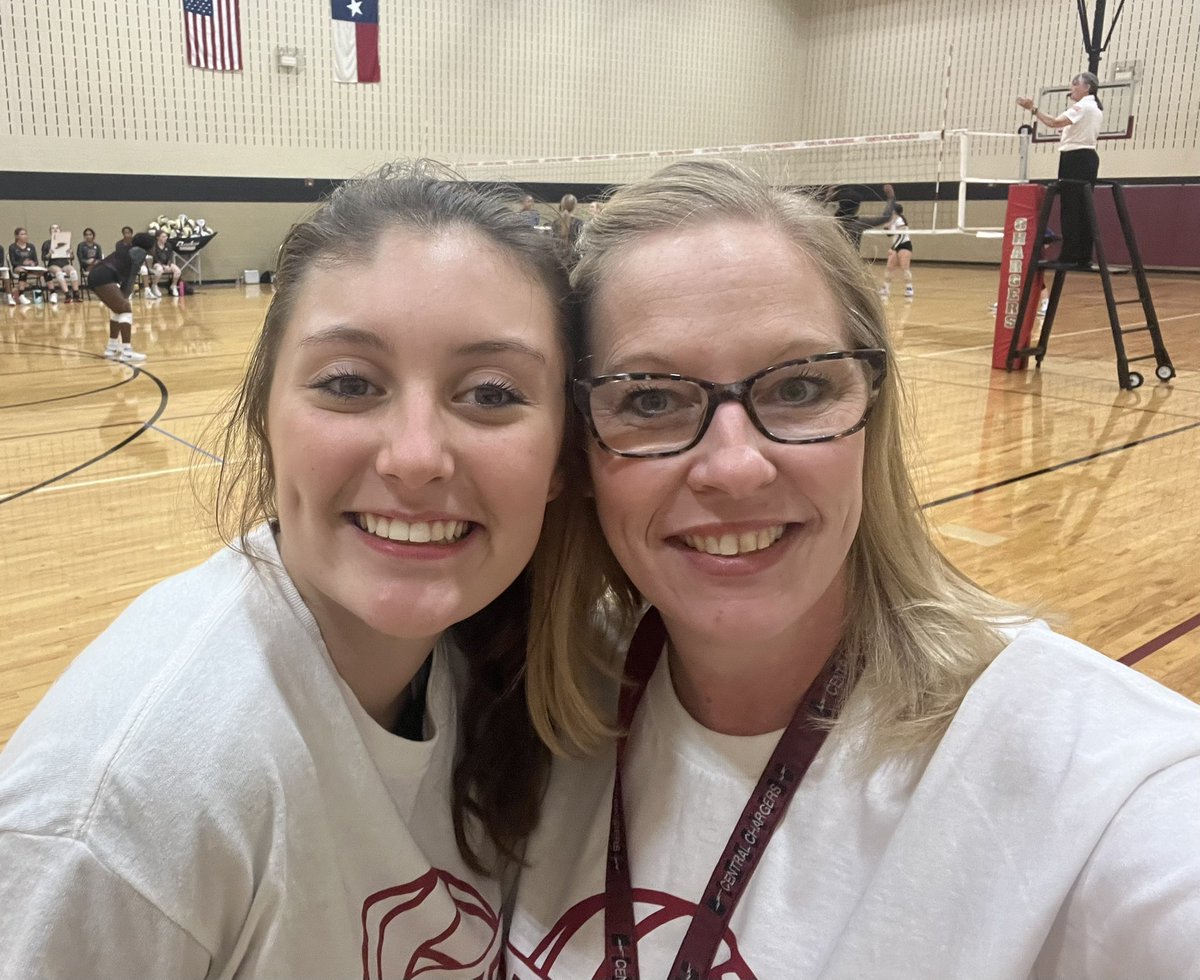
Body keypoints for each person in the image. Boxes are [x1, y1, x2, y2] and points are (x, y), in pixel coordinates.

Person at [505, 159, 1200, 979]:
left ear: (873, 414)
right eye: (652, 400)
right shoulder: (531, 710)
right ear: (578, 447)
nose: (735, 468)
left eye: (799, 386)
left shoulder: (1096, 776)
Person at [0, 163, 587, 977]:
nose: (415, 457)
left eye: (490, 394)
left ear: (563, 456)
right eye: (349, 383)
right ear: (266, 420)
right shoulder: (117, 821)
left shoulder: (499, 664)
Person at [1017, 72, 1103, 268]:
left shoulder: (1082, 106)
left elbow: (1053, 122)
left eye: (1075, 84)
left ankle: (1069, 255)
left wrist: (1033, 109)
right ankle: (1083, 255)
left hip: (1075, 159)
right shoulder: (1095, 108)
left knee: (1071, 207)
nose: (1071, 88)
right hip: (1087, 158)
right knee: (1083, 207)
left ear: (1087, 87)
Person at [87, 231, 155, 361]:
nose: (155, 248)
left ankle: (111, 348)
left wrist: (123, 297)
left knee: (118, 310)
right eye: (154, 246)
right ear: (149, 246)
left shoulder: (131, 249)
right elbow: (131, 277)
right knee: (125, 309)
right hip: (104, 276)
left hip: (97, 274)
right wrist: (124, 296)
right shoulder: (139, 253)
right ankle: (127, 351)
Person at [829, 182, 896, 250]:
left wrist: (828, 197)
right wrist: (891, 197)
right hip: (850, 258)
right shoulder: (859, 223)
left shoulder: (831, 221)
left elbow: (819, 212)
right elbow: (885, 217)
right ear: (856, 207)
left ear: (841, 204)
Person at [41, 224, 82, 304]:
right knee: (59, 273)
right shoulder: (46, 243)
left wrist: (71, 253)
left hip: (64, 263)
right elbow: (44, 258)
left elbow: (71, 257)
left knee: (73, 272)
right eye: (53, 228)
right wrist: (49, 254)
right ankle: (67, 294)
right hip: (53, 263)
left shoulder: (65, 242)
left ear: (60, 230)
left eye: (57, 228)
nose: (55, 230)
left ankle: (76, 294)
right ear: (50, 231)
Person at [879, 202, 913, 298]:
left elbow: (902, 236)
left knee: (904, 267)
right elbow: (891, 235)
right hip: (896, 245)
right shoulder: (893, 221)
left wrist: (893, 248)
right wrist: (887, 228)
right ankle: (885, 288)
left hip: (904, 245)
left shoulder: (900, 220)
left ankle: (909, 289)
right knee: (889, 267)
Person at [7, 227, 41, 306]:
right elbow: (13, 262)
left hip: (31, 267)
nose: (25, 236)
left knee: (46, 273)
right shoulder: (12, 247)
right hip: (18, 267)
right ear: (17, 236)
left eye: (25, 234)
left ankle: (53, 293)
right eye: (22, 234)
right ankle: (21, 294)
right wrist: (23, 263)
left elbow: (36, 261)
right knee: (23, 272)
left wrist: (33, 263)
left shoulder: (31, 246)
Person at [149, 229, 183, 296]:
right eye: (163, 237)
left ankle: (173, 286)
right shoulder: (154, 246)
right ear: (158, 237)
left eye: (166, 236)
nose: (165, 238)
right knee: (159, 269)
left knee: (178, 271)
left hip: (166, 263)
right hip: (156, 263)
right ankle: (154, 285)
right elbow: (155, 258)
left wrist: (168, 264)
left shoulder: (168, 245)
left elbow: (170, 256)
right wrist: (163, 265)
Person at [552, 193, 583, 261]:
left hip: (557, 259)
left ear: (562, 206)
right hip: (574, 261)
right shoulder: (579, 223)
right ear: (575, 206)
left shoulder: (555, 223)